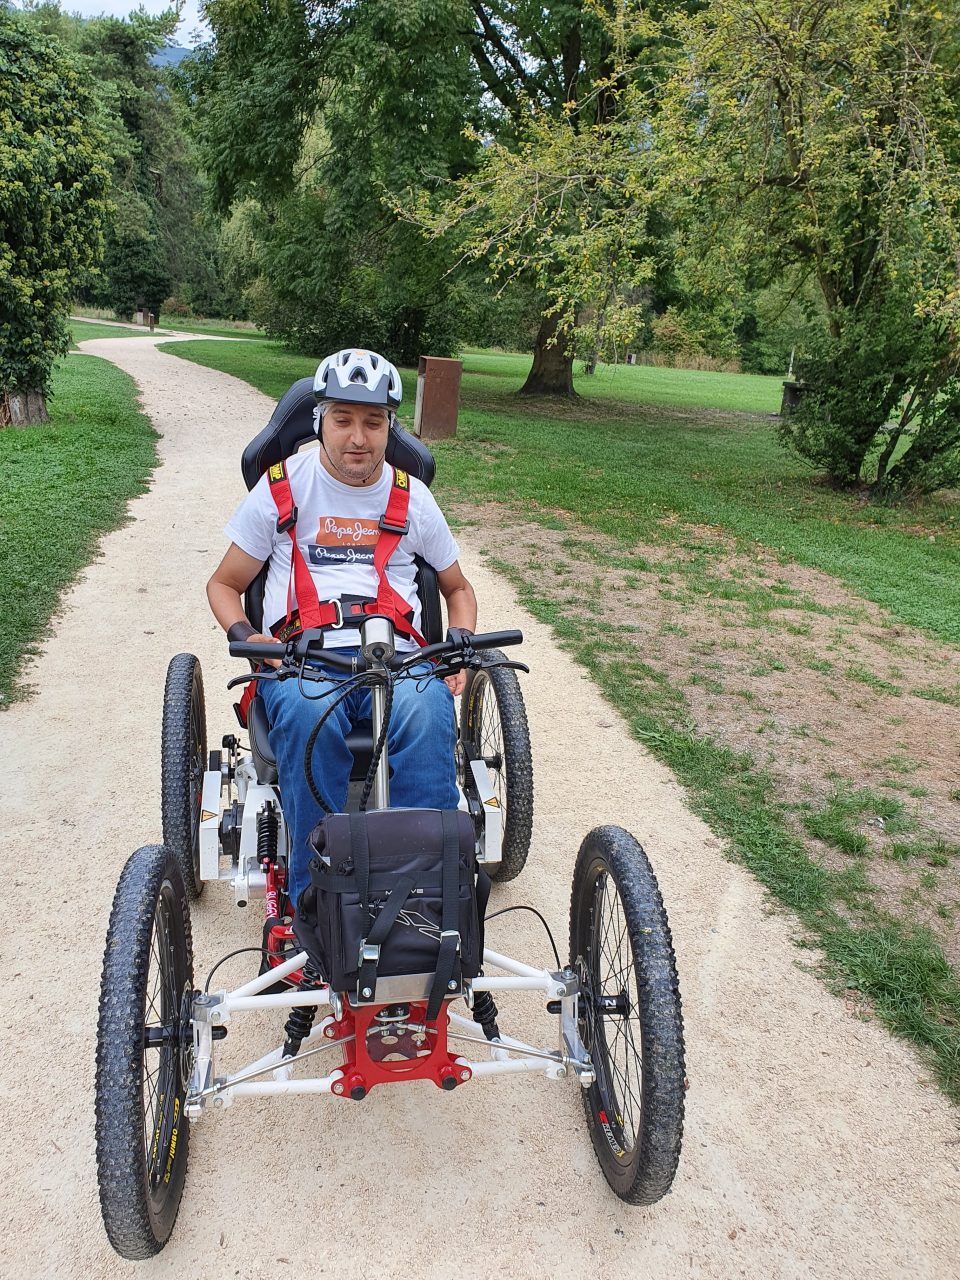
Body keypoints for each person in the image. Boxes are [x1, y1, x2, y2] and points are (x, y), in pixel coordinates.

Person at [206, 348, 477, 908]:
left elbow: (458, 588)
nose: (358, 437)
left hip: (398, 659)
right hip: (305, 660)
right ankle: (319, 903)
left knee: (430, 713)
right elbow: (224, 584)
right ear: (319, 421)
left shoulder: (413, 498)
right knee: (310, 717)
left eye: (373, 422)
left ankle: (425, 904)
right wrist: (248, 636)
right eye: (343, 419)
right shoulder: (280, 489)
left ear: (390, 427)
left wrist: (462, 648)